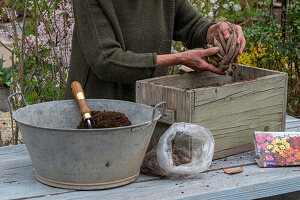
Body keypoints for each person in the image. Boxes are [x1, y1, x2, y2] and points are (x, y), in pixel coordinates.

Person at [64, 0, 245, 102]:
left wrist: (214, 31)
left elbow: (191, 25)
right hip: (95, 110)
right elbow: (106, 61)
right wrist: (179, 59)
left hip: (147, 104)